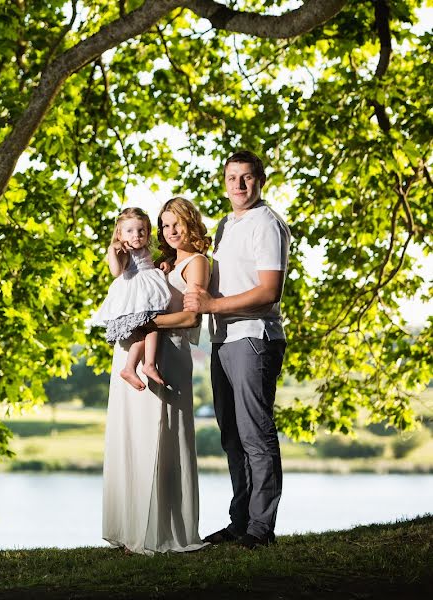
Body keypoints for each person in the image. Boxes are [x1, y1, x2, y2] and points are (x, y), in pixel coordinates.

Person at [183, 150, 291, 550]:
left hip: (253, 338)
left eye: (247, 177)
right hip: (223, 340)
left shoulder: (267, 224)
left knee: (256, 435)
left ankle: (262, 529)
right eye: (232, 178)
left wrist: (211, 306)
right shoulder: (226, 224)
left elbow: (268, 292)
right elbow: (213, 278)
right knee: (232, 436)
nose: (239, 185)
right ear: (224, 182)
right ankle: (240, 521)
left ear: (260, 180)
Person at [102, 197, 211, 555]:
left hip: (168, 354)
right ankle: (129, 529)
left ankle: (163, 530)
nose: (170, 231)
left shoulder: (196, 264)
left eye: (176, 223)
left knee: (164, 440)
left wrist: (142, 323)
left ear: (191, 223)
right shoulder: (161, 265)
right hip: (135, 347)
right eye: (165, 225)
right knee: (132, 438)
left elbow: (191, 318)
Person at [92, 207, 172, 391]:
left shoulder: (145, 250)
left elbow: (148, 267)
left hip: (147, 294)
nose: (136, 235)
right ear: (119, 234)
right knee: (150, 327)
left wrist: (161, 267)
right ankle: (146, 365)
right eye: (130, 231)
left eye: (141, 230)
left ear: (148, 232)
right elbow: (116, 272)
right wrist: (112, 250)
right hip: (136, 298)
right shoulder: (125, 252)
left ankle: (133, 367)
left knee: (148, 330)